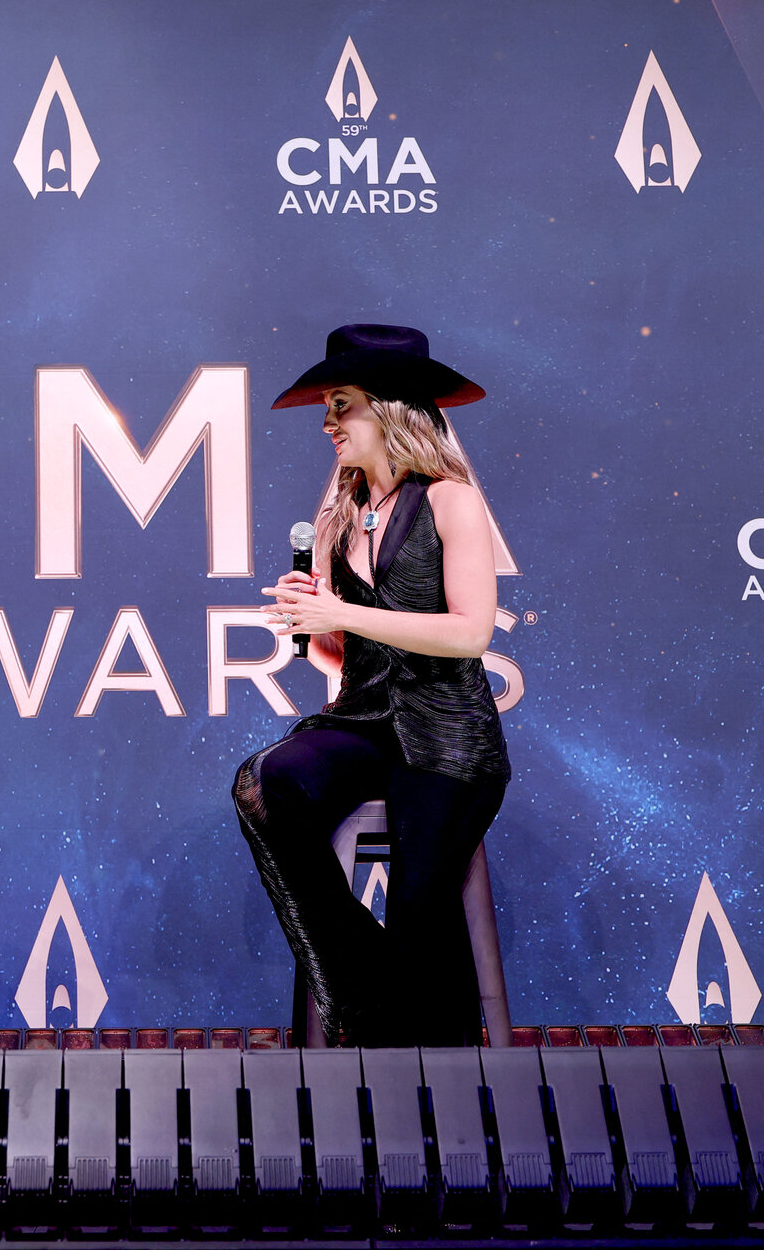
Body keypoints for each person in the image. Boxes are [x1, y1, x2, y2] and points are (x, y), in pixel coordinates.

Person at [233, 324, 509, 1048]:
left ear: (389, 406)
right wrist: (314, 624)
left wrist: (344, 612)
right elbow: (348, 661)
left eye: (341, 404)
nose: (328, 423)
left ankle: (442, 1079)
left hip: (447, 733)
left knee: (422, 909)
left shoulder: (451, 500)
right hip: (364, 722)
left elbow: (470, 634)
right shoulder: (341, 514)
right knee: (265, 784)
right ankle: (362, 983)